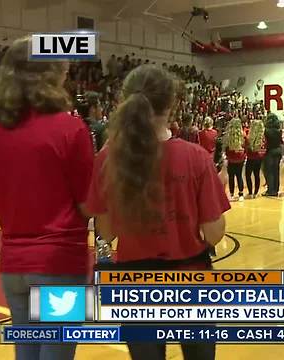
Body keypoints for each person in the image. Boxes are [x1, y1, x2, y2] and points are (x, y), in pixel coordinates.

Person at [86, 65, 228, 360]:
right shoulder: (196, 157)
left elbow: (107, 233)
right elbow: (214, 233)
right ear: (172, 104)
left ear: (124, 101)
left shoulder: (107, 159)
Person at [0, 37, 94, 360]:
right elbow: (88, 204)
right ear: (51, 75)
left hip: (13, 265)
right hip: (59, 262)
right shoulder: (70, 129)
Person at [224, 118, 247, 201]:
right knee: (239, 176)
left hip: (231, 158)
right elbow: (245, 146)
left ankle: (231, 194)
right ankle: (241, 194)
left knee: (231, 176)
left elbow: (225, 148)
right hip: (240, 158)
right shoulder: (243, 135)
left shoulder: (228, 136)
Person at [245, 119, 266, 199]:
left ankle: (250, 192)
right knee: (257, 175)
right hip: (259, 158)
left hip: (250, 158)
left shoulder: (249, 137)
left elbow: (246, 147)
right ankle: (256, 193)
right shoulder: (262, 137)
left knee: (248, 175)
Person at [264, 113, 282, 196]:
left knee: (269, 171)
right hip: (278, 150)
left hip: (270, 151)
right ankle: (276, 189)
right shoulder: (279, 130)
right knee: (276, 171)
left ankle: (270, 190)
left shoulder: (266, 131)